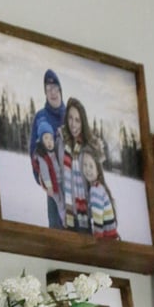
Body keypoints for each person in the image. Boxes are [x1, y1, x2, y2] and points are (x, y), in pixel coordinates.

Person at [61, 97, 94, 231]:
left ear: (83, 123)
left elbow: (96, 182)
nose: (73, 124)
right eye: (70, 118)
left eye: (77, 120)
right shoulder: (62, 143)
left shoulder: (88, 149)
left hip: (85, 218)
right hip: (67, 216)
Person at [29, 70, 64, 183]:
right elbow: (33, 150)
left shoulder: (70, 114)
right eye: (48, 89)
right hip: (52, 183)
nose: (52, 92)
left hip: (73, 184)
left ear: (60, 90)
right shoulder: (40, 117)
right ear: (45, 93)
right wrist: (40, 178)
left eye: (54, 87)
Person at [81, 145, 119, 239]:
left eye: (91, 166)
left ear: (98, 169)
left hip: (107, 239)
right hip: (111, 236)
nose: (87, 169)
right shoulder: (99, 187)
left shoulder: (96, 190)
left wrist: (97, 240)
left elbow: (98, 222)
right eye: (84, 165)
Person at [33, 118, 64, 228]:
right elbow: (45, 173)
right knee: (59, 203)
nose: (49, 141)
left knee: (64, 201)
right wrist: (49, 187)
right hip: (53, 186)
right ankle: (64, 221)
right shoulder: (43, 156)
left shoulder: (53, 151)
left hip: (60, 182)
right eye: (46, 138)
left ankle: (66, 220)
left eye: (51, 138)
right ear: (41, 140)